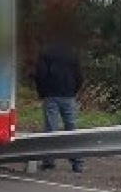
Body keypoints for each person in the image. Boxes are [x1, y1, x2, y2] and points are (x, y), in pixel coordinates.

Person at [31, 38, 84, 172]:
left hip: (51, 96)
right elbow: (79, 76)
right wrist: (74, 90)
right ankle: (77, 162)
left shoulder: (45, 52)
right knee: (71, 128)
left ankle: (49, 161)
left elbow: (40, 75)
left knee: (51, 129)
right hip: (68, 95)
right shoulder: (72, 52)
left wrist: (42, 93)